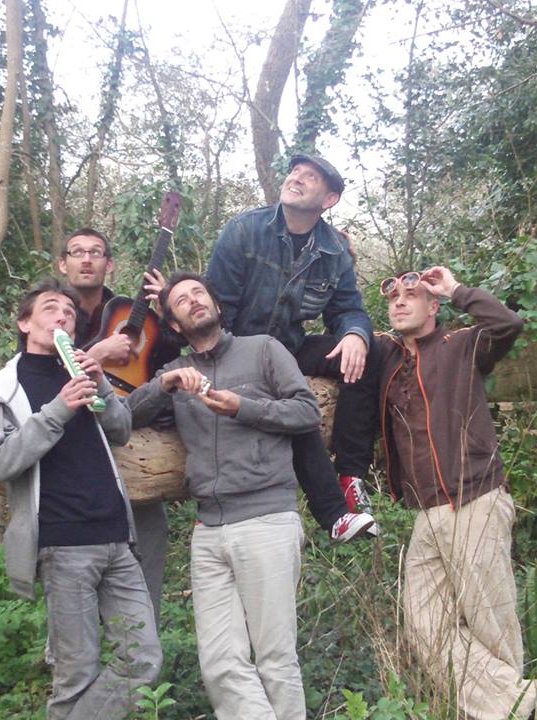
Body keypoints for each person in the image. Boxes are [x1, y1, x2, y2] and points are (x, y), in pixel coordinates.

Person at [144, 154, 378, 542]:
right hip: (237, 344)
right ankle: (332, 515)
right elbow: (220, 309)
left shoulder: (335, 251)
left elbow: (349, 308)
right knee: (280, 398)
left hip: (289, 346)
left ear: (330, 199)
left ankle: (351, 477)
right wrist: (247, 369)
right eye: (296, 172)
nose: (297, 179)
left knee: (369, 350)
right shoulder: (244, 230)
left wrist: (354, 333)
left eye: (311, 178)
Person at [128, 272, 314, 719]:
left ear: (215, 305)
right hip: (208, 530)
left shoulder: (263, 349)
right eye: (181, 300)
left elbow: (306, 411)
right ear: (173, 324)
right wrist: (162, 386)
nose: (194, 301)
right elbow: (122, 416)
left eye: (199, 293)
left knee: (275, 658)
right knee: (220, 665)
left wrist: (243, 406)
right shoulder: (174, 373)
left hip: (267, 519)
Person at [0, 278, 161, 720]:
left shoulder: (80, 369)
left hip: (118, 537)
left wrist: (101, 388)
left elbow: (119, 431)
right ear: (25, 323)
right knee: (75, 674)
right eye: (51, 310)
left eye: (70, 314)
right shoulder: (3, 387)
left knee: (143, 659)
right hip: (63, 544)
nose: (63, 317)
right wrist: (58, 409)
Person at [374, 266, 537, 720]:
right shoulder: (389, 358)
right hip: (427, 512)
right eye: (394, 299)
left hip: (476, 499)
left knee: (492, 625)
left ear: (433, 306)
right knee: (424, 626)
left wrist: (455, 289)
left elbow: (508, 325)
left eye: (413, 294)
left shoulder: (463, 345)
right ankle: (518, 706)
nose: (401, 302)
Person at [59, 228, 171, 623]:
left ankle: (145, 668)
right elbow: (38, 378)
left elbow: (171, 359)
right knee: (75, 585)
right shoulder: (50, 315)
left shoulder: (128, 311)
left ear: (110, 264)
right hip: (73, 459)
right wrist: (98, 353)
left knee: (147, 553)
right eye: (77, 252)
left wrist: (169, 308)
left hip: (133, 443)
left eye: (96, 252)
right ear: (63, 263)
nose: (86, 259)